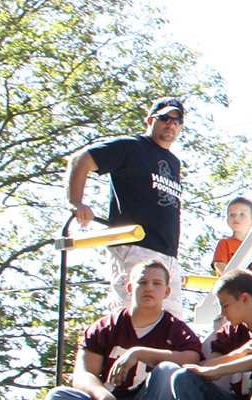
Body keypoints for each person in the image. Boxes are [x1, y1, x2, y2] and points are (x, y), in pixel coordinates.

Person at [66, 97, 187, 316]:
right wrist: (77, 203)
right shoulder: (131, 147)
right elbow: (80, 159)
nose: (171, 124)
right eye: (164, 118)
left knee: (172, 328)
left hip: (168, 255)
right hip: (134, 247)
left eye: (177, 120)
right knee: (130, 324)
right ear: (150, 120)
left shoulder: (173, 162)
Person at [44, 261, 201, 400]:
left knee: (168, 370)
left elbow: (192, 359)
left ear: (167, 292)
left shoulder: (176, 329)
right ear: (130, 288)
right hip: (109, 395)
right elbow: (83, 375)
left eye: (157, 283)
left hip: (148, 396)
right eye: (142, 282)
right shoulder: (105, 327)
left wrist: (139, 353)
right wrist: (102, 395)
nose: (149, 288)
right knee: (58, 395)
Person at [172, 269, 252, 400]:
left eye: (225, 305)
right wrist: (238, 353)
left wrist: (218, 370)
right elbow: (208, 368)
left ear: (245, 298)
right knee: (183, 376)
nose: (222, 313)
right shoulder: (229, 331)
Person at [212, 197, 252, 275]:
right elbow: (219, 265)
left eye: (242, 214)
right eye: (232, 214)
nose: (236, 217)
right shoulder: (225, 243)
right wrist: (233, 280)